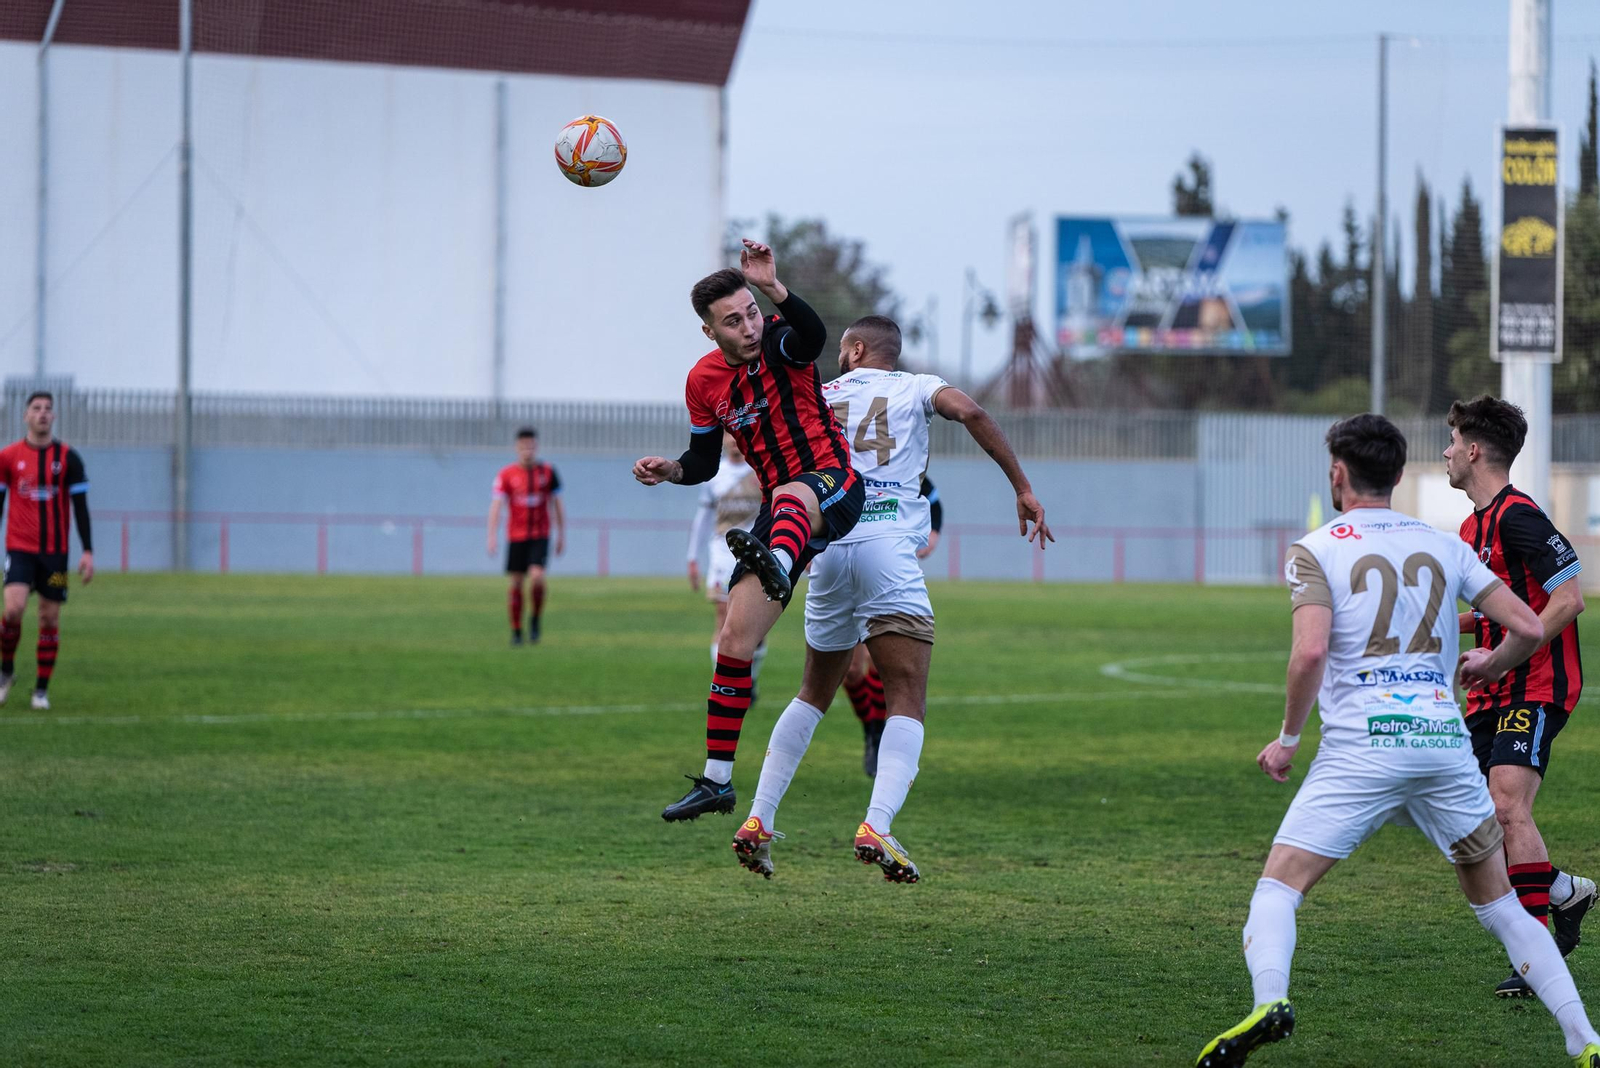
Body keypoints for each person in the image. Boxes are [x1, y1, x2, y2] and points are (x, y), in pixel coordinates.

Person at [1196, 414, 1600, 1068]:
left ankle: (1269, 1001)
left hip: (1363, 748)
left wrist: (1289, 739)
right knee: (1501, 908)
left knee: (1278, 891)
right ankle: (1584, 1039)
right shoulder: (1442, 543)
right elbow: (1528, 624)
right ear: (1397, 473)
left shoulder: (1315, 549)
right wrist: (1491, 663)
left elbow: (1310, 653)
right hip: (1441, 743)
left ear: (1338, 473)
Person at [730, 315, 1051, 881]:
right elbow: (972, 412)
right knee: (906, 695)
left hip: (829, 548)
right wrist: (1022, 487)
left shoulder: (820, 393)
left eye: (843, 349)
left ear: (856, 349)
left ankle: (759, 818)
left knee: (811, 692)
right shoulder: (918, 386)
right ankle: (876, 824)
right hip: (888, 547)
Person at [634, 240, 865, 822]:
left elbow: (812, 336)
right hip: (778, 518)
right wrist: (672, 470)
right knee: (735, 641)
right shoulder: (703, 381)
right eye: (733, 321)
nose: (749, 327)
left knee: (789, 497)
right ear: (709, 332)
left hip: (832, 483)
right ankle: (717, 782)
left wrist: (772, 287)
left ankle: (779, 564)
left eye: (751, 312)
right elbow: (704, 461)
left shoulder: (781, 342)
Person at [1444, 394, 1592, 997]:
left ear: (1475, 450)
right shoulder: (1469, 528)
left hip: (1537, 683)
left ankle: (1536, 958)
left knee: (1507, 804)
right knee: (1478, 821)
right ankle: (1563, 891)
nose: (1447, 453)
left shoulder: (1519, 516)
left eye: (1454, 442)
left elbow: (1568, 599)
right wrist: (1425, 623)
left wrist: (1498, 659)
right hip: (1491, 691)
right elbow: (1499, 612)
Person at [841, 474, 942, 777]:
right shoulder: (837, 458)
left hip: (884, 571)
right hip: (842, 569)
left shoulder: (894, 465)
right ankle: (870, 727)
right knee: (850, 672)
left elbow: (932, 496)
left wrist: (934, 532)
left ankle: (878, 732)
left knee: (878, 663)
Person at [0, 392, 94, 711]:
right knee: (13, 609)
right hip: (19, 549)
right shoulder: (8, 457)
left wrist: (88, 551)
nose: (42, 413)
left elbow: (81, 508)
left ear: (53, 417)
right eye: (36, 408)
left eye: (48, 409)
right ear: (25, 415)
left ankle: (40, 690)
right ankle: (6, 671)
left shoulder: (69, 458)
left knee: (49, 618)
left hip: (56, 555)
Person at [686, 437, 768, 691]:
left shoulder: (761, 470)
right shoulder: (714, 475)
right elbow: (703, 518)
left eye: (736, 436)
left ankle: (751, 680)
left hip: (757, 554)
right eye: (728, 436)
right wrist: (692, 557)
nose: (733, 442)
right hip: (722, 554)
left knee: (757, 626)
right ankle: (722, 684)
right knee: (723, 618)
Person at [487, 427, 564, 645]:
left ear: (536, 447)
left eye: (531, 446)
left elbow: (557, 504)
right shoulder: (506, 475)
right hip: (516, 536)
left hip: (540, 534)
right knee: (517, 582)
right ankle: (516, 630)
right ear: (517, 448)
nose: (527, 451)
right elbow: (496, 506)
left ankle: (536, 619)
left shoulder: (548, 472)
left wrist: (561, 535)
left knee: (537, 577)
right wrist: (492, 535)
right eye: (523, 447)